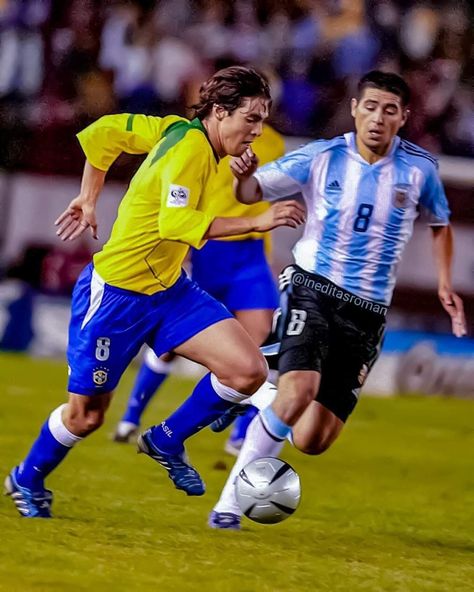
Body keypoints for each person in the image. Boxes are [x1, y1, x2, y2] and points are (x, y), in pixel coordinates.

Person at [4, 66, 306, 518]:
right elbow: (176, 224)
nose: (258, 131)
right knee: (86, 416)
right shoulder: (188, 150)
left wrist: (89, 196)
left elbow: (104, 133)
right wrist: (256, 221)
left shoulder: (174, 128)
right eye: (251, 119)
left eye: (263, 119)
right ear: (220, 112)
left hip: (169, 291)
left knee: (247, 370)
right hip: (117, 297)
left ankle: (166, 438)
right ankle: (26, 479)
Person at [208, 70, 467, 530]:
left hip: (368, 313)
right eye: (370, 107)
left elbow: (441, 223)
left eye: (389, 110)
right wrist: (243, 178)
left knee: (311, 438)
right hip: (314, 289)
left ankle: (258, 396)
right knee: (298, 392)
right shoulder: (321, 156)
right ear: (354, 109)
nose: (377, 118)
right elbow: (250, 192)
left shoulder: (419, 169)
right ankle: (228, 505)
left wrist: (445, 282)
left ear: (403, 118)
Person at [113, 123, 285, 454]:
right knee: (172, 344)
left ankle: (242, 433)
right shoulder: (204, 145)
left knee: (259, 339)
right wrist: (186, 248)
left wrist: (267, 254)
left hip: (250, 255)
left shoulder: (275, 145)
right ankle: (131, 417)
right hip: (209, 245)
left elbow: (261, 200)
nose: (256, 121)